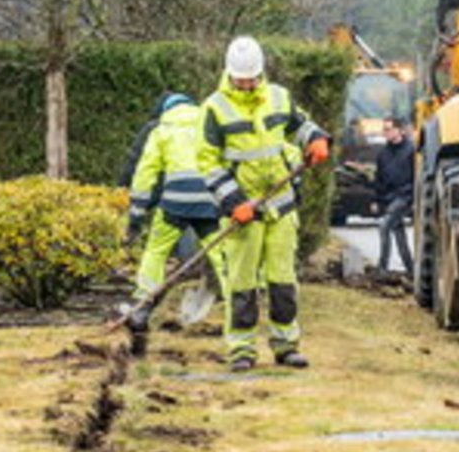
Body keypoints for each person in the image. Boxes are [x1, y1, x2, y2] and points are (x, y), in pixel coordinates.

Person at [198, 35, 331, 372]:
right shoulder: (214, 108)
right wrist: (233, 202)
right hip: (244, 211)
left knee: (283, 280)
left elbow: (299, 124)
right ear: (229, 74)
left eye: (252, 77)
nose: (247, 83)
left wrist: (315, 138)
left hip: (281, 205)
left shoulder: (278, 97)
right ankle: (241, 350)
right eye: (241, 78)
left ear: (261, 72)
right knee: (242, 284)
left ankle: (286, 345)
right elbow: (208, 163)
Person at [125, 92, 226, 303]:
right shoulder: (210, 125)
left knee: (156, 250)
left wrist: (136, 215)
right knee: (221, 252)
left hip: (175, 202)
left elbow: (145, 173)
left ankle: (144, 299)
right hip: (208, 199)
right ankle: (237, 299)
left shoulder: (161, 130)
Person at [372, 118, 415, 275]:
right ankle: (411, 268)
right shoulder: (383, 153)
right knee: (399, 232)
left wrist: (413, 196)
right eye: (384, 129)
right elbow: (379, 178)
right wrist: (376, 199)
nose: (385, 133)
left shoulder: (411, 150)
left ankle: (382, 267)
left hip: (405, 196)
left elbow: (416, 176)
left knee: (384, 227)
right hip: (389, 198)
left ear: (399, 130)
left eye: (388, 129)